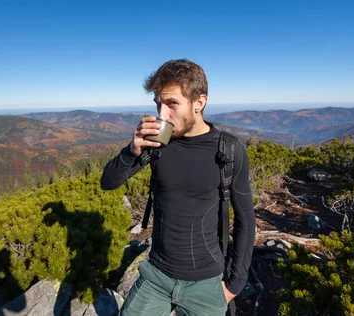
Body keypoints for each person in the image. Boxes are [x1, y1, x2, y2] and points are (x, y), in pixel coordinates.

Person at [101, 59, 255, 315]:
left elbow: (245, 219)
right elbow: (109, 182)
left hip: (207, 283)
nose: (162, 115)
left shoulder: (228, 150)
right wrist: (131, 151)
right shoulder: (159, 143)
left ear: (199, 103)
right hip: (155, 277)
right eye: (158, 104)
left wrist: (233, 285)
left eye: (172, 103)